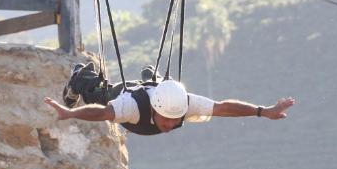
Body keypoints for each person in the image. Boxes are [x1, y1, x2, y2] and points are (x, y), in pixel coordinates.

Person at [43, 62, 295, 135]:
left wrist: (264, 111)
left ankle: (155, 77)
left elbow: (222, 107)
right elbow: (100, 113)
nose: (171, 125)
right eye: (167, 121)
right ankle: (80, 76)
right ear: (156, 109)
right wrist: (71, 114)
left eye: (175, 122)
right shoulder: (130, 107)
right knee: (95, 95)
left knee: (166, 84)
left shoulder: (184, 104)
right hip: (126, 92)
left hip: (159, 90)